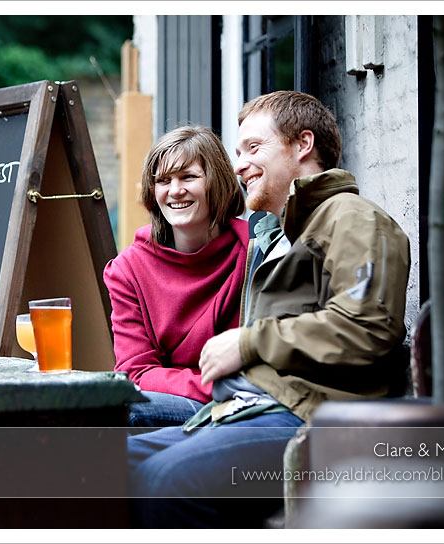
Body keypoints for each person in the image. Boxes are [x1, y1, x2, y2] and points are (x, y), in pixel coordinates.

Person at [127, 90, 411, 528]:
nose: (239, 164)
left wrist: (247, 342)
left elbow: (369, 328)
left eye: (253, 148)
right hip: (253, 408)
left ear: (302, 145)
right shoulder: (291, 232)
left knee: (167, 480)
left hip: (314, 419)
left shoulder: (352, 218)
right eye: (238, 152)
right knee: (108, 462)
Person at [103, 125, 250, 427]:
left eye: (189, 177)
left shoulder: (256, 251)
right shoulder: (128, 270)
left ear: (217, 182)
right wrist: (215, 387)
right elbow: (136, 371)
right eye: (163, 181)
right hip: (211, 396)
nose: (175, 191)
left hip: (248, 405)